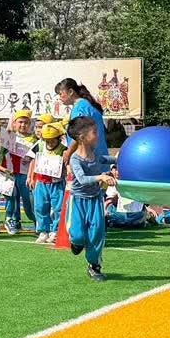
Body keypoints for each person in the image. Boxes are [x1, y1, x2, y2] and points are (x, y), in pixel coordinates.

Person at [66, 116, 117, 281]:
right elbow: (82, 179)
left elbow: (106, 159)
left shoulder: (95, 154)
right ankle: (76, 242)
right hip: (78, 201)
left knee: (97, 233)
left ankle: (94, 266)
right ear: (82, 137)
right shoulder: (75, 159)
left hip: (95, 200)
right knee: (78, 235)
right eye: (94, 132)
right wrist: (101, 177)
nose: (97, 135)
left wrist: (121, 158)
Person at [30, 119, 67, 245]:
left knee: (58, 208)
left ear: (59, 139)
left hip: (57, 183)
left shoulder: (64, 149)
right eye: (47, 140)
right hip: (41, 182)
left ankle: (55, 231)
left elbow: (67, 166)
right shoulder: (39, 146)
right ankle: (43, 231)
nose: (50, 143)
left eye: (52, 140)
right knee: (40, 207)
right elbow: (33, 161)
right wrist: (31, 177)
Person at [0, 110, 36, 235]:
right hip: (11, 174)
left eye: (26, 122)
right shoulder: (9, 137)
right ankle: (13, 221)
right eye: (20, 122)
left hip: (26, 175)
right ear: (14, 123)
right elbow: (2, 155)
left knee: (28, 201)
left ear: (30, 124)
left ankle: (36, 221)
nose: (23, 125)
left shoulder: (34, 139)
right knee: (12, 198)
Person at [55, 78, 110, 157]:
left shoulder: (80, 108)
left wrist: (68, 152)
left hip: (89, 158)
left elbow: (80, 134)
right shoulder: (84, 105)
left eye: (61, 94)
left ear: (70, 92)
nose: (59, 98)